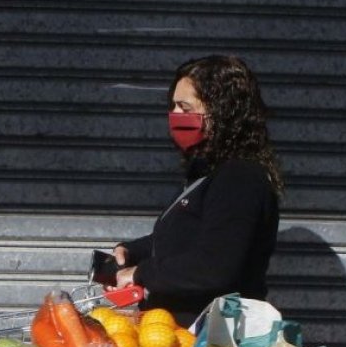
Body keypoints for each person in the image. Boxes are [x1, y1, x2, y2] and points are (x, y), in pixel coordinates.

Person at [111, 55, 286, 327]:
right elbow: (190, 235)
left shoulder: (240, 178)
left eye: (185, 107)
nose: (175, 116)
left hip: (212, 346)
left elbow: (213, 266)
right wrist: (133, 251)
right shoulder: (209, 174)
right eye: (173, 106)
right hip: (179, 339)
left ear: (222, 111)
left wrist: (142, 273)